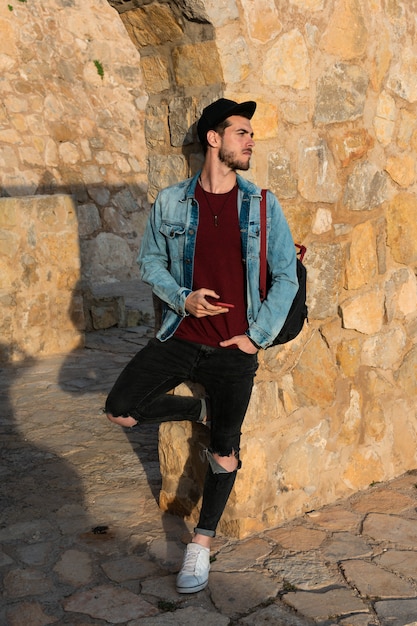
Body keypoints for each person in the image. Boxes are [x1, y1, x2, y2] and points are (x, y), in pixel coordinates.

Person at [105, 98, 298, 593]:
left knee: (225, 454)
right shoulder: (170, 202)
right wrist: (181, 298)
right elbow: (151, 262)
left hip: (235, 351)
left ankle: (201, 544)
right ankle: (198, 414)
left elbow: (285, 280)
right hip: (181, 336)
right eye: (241, 133)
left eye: (251, 135)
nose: (250, 141)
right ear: (213, 139)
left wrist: (256, 338)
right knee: (122, 409)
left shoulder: (262, 205)